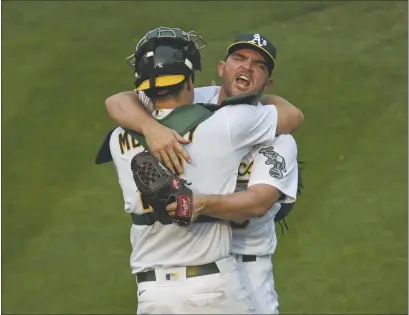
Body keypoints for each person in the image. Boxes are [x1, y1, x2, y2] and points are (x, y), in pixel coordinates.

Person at [104, 26, 303, 314]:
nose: (247, 67)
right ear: (220, 68)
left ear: (268, 81)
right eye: (239, 58)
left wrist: (201, 202)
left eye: (259, 65)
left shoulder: (120, 135)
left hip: (242, 266)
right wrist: (152, 129)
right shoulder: (225, 119)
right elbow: (118, 100)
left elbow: (259, 202)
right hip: (214, 275)